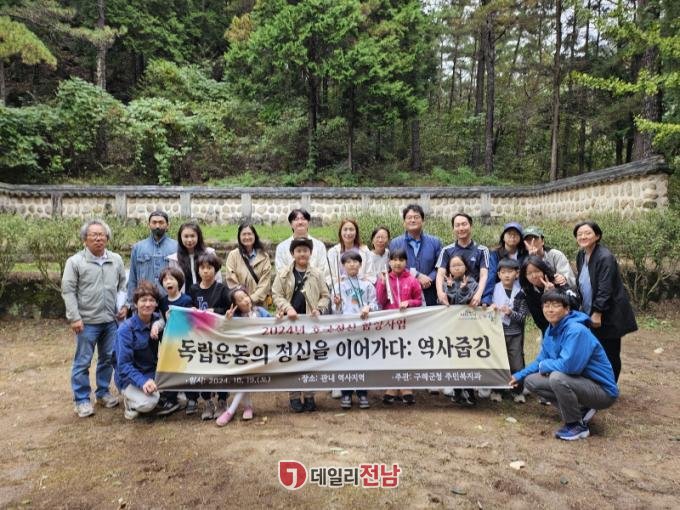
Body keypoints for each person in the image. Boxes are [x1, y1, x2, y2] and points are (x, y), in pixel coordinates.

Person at [509, 290, 619, 441]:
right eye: (546, 305)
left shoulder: (576, 330)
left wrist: (545, 365)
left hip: (602, 391)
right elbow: (540, 360)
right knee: (531, 381)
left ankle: (576, 425)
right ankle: (580, 410)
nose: (550, 309)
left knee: (557, 377)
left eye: (555, 305)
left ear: (567, 309)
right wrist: (519, 376)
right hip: (581, 383)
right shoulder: (551, 329)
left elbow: (570, 367)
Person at [61, 219, 127, 417]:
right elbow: (68, 291)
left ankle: (103, 392)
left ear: (107, 238)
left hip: (110, 320)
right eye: (94, 235)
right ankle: (81, 399)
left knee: (108, 358)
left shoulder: (115, 259)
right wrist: (74, 317)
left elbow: (123, 286)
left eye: (102, 235)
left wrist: (124, 306)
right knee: (83, 361)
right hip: (87, 321)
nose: (98, 239)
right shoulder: (75, 262)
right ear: (85, 239)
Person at [574, 221, 637, 381]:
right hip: (589, 311)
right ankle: (599, 384)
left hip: (608, 314)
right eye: (579, 234)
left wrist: (597, 312)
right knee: (594, 351)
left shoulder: (605, 257)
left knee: (610, 353)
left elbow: (605, 287)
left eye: (587, 233)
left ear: (597, 236)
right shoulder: (581, 255)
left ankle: (610, 387)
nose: (583, 236)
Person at [272, 237, 330, 413]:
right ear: (292, 254)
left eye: (305, 250)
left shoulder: (317, 274)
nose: (302, 254)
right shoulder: (283, 274)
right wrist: (287, 308)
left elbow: (325, 295)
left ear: (310, 253)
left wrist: (319, 309)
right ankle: (294, 395)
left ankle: (310, 394)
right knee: (292, 360)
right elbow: (276, 294)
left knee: (310, 359)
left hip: (310, 325)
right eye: (298, 251)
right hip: (290, 324)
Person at [115, 281, 180, 420]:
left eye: (151, 300)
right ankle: (130, 403)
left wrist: (172, 321)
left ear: (156, 304)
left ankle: (153, 391)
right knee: (149, 402)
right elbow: (123, 366)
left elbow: (173, 340)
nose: (148, 304)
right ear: (135, 303)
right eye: (143, 300)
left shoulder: (158, 321)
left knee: (181, 396)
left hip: (152, 372)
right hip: (130, 378)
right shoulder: (125, 329)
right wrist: (143, 381)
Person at [215, 287, 271, 426]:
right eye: (240, 299)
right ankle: (247, 406)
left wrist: (280, 317)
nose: (245, 300)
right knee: (243, 379)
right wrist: (227, 320)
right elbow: (221, 332)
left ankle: (231, 411)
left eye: (245, 296)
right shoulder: (235, 318)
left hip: (259, 355)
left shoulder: (260, 311)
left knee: (244, 379)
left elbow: (274, 323)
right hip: (241, 356)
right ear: (235, 305)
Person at [188, 252, 232, 419]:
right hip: (200, 337)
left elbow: (230, 310)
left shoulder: (222, 289)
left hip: (219, 336)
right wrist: (191, 311)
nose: (206, 271)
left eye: (209, 267)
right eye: (202, 268)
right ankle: (207, 401)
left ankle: (222, 400)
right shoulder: (193, 289)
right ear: (198, 270)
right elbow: (188, 309)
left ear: (216, 269)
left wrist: (216, 311)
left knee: (221, 367)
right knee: (202, 367)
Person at [332, 251, 379, 410]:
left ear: (360, 264)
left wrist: (368, 307)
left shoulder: (367, 285)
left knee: (362, 361)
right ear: (343, 266)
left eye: (355, 261)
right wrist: (337, 304)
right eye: (348, 262)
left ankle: (362, 393)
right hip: (345, 330)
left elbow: (375, 304)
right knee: (345, 361)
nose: (352, 264)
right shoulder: (338, 286)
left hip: (363, 329)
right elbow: (335, 313)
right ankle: (346, 393)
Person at [376, 248, 422, 405]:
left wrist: (409, 302)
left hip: (408, 324)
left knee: (407, 355)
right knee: (391, 355)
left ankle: (406, 387)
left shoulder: (412, 280)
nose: (397, 263)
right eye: (394, 260)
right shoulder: (384, 279)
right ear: (389, 262)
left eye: (401, 260)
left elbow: (419, 301)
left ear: (406, 262)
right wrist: (382, 284)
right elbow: (380, 301)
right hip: (389, 325)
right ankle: (392, 386)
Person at [488, 258, 528, 404]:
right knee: (498, 362)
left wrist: (511, 313)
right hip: (497, 333)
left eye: (510, 272)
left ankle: (517, 391)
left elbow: (523, 317)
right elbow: (485, 309)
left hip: (515, 334)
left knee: (517, 364)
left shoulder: (521, 293)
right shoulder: (492, 289)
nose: (506, 275)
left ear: (517, 274)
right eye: (503, 272)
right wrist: (490, 307)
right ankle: (497, 390)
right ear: (498, 274)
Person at [389, 204, 442, 306]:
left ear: (423, 221)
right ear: (404, 222)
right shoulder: (395, 243)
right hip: (405, 294)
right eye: (409, 218)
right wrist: (417, 275)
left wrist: (429, 279)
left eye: (416, 217)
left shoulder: (435, 242)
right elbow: (393, 266)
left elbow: (440, 266)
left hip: (430, 291)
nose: (413, 220)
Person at [435, 212, 489, 308]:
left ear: (471, 226)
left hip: (472, 299)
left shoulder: (482, 250)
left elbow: (484, 275)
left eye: (464, 224)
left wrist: (478, 295)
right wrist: (440, 293)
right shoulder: (446, 250)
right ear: (453, 228)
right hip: (451, 300)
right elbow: (440, 274)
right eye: (457, 225)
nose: (461, 228)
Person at [127, 211, 178, 307]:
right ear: (148, 225)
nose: (157, 226)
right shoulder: (138, 248)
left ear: (168, 225)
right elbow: (132, 278)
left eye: (161, 222)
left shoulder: (176, 247)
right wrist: (131, 304)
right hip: (145, 302)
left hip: (170, 301)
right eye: (154, 222)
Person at [519, 255, 579, 334]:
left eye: (537, 271)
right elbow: (539, 321)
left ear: (543, 270)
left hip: (571, 327)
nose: (534, 276)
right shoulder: (529, 292)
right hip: (551, 332)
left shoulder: (557, 281)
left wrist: (554, 292)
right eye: (529, 273)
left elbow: (575, 304)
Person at [225, 223, 271, 307]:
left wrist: (252, 299)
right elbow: (231, 278)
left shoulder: (264, 256)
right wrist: (243, 299)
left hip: (259, 304)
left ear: (254, 236)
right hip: (240, 304)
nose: (247, 237)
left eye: (249, 234)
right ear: (239, 237)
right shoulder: (233, 255)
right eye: (244, 234)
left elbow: (265, 282)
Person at [168, 221, 222, 293]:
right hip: (185, 297)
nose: (189, 240)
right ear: (180, 238)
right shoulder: (174, 259)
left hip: (208, 296)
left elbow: (217, 278)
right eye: (186, 236)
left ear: (198, 237)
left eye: (192, 236)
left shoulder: (209, 253)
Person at [482, 222, 527, 304]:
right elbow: (492, 274)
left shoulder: (524, 254)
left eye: (516, 234)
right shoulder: (495, 253)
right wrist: (487, 298)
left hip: (521, 292)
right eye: (509, 233)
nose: (512, 236)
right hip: (500, 292)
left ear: (520, 238)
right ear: (503, 237)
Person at [325, 218, 371, 288]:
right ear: (340, 232)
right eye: (345, 229)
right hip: (340, 291)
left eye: (351, 229)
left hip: (361, 290)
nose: (348, 233)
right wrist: (339, 283)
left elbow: (370, 274)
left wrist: (362, 283)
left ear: (356, 232)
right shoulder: (333, 252)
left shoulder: (364, 251)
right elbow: (328, 276)